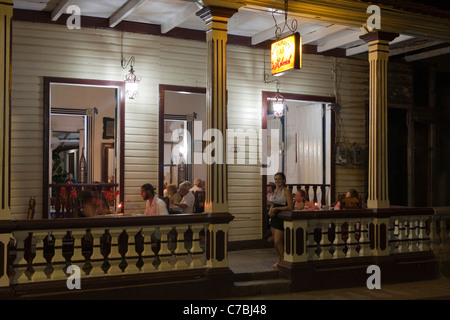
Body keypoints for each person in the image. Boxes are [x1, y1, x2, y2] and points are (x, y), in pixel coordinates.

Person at [268, 172, 293, 269]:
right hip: (274, 217)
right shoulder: (275, 191)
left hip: (281, 217)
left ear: (283, 180)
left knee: (278, 241)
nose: (277, 181)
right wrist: (271, 210)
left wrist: (277, 209)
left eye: (279, 179)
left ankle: (283, 260)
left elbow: (290, 207)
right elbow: (273, 204)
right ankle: (278, 259)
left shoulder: (286, 191)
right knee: (275, 242)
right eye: (275, 179)